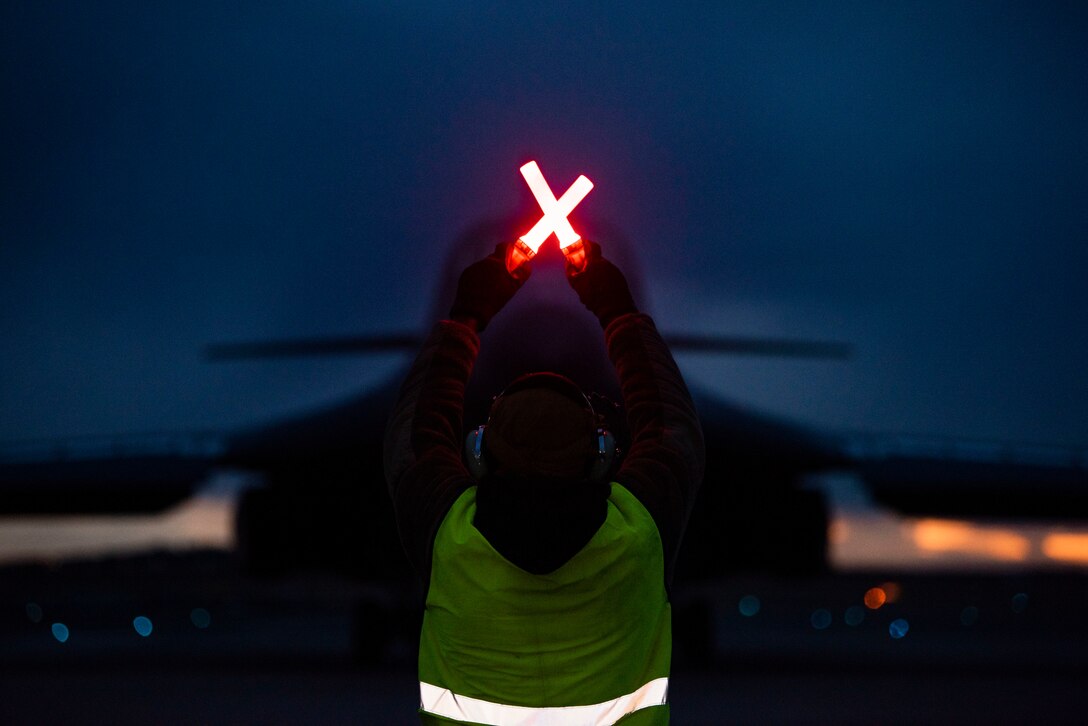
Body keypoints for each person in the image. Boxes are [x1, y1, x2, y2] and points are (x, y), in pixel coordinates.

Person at [384, 240, 704, 725]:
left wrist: (465, 317)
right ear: (601, 456)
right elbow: (671, 431)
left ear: (479, 452)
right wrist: (618, 311)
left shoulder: (448, 536)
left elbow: (416, 436)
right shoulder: (641, 535)